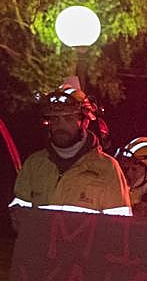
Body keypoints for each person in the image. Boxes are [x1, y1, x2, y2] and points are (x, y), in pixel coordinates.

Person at [10, 86, 131, 227]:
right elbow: (19, 219)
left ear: (84, 122)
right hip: (42, 248)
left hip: (85, 249)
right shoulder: (34, 164)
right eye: (55, 119)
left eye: (68, 118)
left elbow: (119, 228)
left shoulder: (108, 168)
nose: (60, 126)